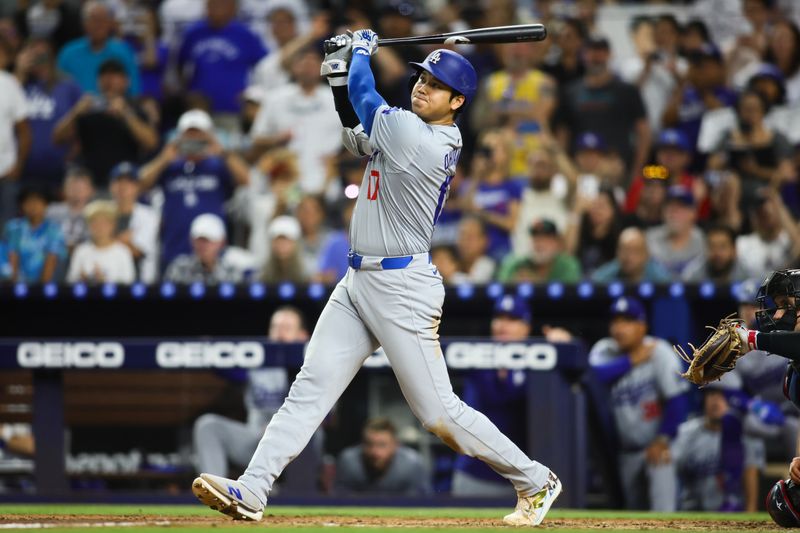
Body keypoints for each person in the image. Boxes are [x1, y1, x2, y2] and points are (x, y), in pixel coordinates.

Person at [192, 34, 561, 527]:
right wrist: (339, 76)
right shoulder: (406, 130)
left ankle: (536, 480)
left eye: (438, 86)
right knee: (310, 386)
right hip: (358, 279)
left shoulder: (426, 140)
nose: (423, 88)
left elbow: (368, 101)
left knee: (438, 414)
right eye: (423, 79)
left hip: (402, 287)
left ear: (458, 102)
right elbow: (354, 121)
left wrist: (360, 52)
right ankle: (254, 488)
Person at [452, 294, 572, 496]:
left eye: (512, 319)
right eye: (499, 318)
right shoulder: (476, 356)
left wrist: (563, 349)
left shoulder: (540, 361)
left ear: (526, 327)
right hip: (472, 474)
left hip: (518, 479)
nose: (503, 325)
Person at [589, 297, 689, 511]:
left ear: (642, 326)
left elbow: (677, 400)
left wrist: (662, 439)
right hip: (626, 451)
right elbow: (592, 377)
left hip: (659, 445)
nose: (619, 328)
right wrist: (630, 361)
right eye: (615, 321)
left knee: (663, 513)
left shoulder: (658, 351)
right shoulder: (605, 350)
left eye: (627, 321)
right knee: (633, 515)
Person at [194, 306, 309, 476]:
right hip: (256, 442)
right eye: (275, 327)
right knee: (208, 426)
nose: (279, 334)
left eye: (286, 328)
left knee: (315, 433)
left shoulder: (309, 367)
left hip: (293, 445)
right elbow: (226, 367)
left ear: (302, 336)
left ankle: (302, 495)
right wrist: (205, 348)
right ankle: (216, 495)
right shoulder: (256, 361)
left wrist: (280, 428)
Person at [139, 109, 249, 268]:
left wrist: (222, 152)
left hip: (213, 251)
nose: (194, 140)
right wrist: (163, 159)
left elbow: (246, 179)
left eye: (199, 135)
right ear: (180, 136)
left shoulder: (218, 164)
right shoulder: (171, 165)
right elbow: (140, 184)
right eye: (189, 135)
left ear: (209, 136)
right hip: (175, 245)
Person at [52, 59, 158, 189]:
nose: (109, 80)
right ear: (98, 81)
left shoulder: (135, 109)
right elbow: (57, 138)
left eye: (115, 75)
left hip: (124, 184)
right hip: (91, 185)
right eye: (104, 75)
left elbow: (151, 143)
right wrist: (75, 112)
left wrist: (125, 114)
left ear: (126, 81)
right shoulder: (88, 110)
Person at [249, 46, 341, 195]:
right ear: (293, 68)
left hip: (324, 180)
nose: (308, 67)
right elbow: (256, 139)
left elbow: (357, 141)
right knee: (284, 218)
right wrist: (276, 139)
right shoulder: (275, 98)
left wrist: (339, 159)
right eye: (303, 63)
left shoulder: (338, 99)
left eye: (313, 63)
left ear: (324, 68)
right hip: (285, 178)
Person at [556, 34, 651, 178]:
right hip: (579, 171)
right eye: (591, 51)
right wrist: (565, 169)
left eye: (601, 51)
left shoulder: (627, 91)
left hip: (617, 169)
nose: (596, 57)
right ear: (583, 55)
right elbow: (562, 134)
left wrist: (636, 172)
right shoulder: (570, 91)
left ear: (609, 55)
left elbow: (643, 133)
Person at [671, 386, 764, 511]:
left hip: (733, 512)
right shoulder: (687, 432)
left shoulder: (745, 432)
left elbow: (751, 472)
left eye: (721, 396)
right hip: (693, 510)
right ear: (703, 401)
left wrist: (751, 511)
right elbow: (672, 468)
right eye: (711, 395)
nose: (715, 400)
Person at [15, 37, 81, 193]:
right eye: (34, 56)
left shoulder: (68, 85)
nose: (39, 60)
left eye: (43, 55)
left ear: (52, 58)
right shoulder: (17, 85)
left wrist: (72, 156)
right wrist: (19, 73)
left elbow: (82, 124)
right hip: (21, 171)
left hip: (59, 172)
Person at [177, 0, 266, 115]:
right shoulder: (193, 33)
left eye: (222, 4)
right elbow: (178, 65)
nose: (217, 9)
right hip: (199, 110)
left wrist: (251, 94)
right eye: (212, 4)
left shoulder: (245, 34)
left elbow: (264, 66)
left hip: (233, 108)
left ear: (233, 8)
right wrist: (187, 92)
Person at [56, 1, 140, 96]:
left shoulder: (124, 51)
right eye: (93, 20)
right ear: (84, 24)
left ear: (110, 23)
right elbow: (59, 91)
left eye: (103, 20)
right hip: (78, 108)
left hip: (115, 108)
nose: (98, 25)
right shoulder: (68, 53)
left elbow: (134, 90)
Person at [335, 417, 430, 496]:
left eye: (382, 445)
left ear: (395, 445)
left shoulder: (412, 464)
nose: (375, 452)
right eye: (369, 444)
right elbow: (338, 499)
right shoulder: (348, 461)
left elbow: (423, 502)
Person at [165, 213, 255, 284]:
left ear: (222, 243)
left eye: (208, 240)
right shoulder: (179, 269)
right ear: (191, 241)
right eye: (199, 240)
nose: (202, 245)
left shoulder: (232, 273)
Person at [108, 162, 159, 283]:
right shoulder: (103, 211)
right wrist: (123, 240)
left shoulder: (149, 215)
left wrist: (109, 239)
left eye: (129, 182)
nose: (123, 186)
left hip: (139, 280)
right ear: (111, 186)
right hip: (108, 277)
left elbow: (137, 252)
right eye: (118, 181)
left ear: (137, 187)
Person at [0, 34, 31, 228]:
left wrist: (18, 166)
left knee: (8, 230)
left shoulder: (10, 83)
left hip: (5, 170)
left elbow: (24, 132)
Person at [3, 187, 65, 283]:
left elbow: (51, 259)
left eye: (37, 201)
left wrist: (41, 291)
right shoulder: (14, 228)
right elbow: (12, 256)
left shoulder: (54, 230)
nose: (33, 206)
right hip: (16, 285)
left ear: (45, 205)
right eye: (29, 202)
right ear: (22, 205)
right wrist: (13, 288)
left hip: (44, 287)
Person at [67, 200, 135, 284]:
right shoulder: (81, 251)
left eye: (104, 223)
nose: (99, 227)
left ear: (113, 225)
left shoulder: (122, 252)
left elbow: (128, 284)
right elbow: (70, 281)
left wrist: (104, 282)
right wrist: (83, 280)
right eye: (94, 223)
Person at [645, 185, 707, 278]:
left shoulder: (703, 241)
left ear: (693, 213)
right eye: (669, 206)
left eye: (681, 207)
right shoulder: (649, 239)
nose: (674, 211)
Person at [497, 219, 581, 283]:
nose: (539, 245)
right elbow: (502, 285)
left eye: (545, 239)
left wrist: (537, 282)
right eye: (536, 239)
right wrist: (514, 283)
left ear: (557, 243)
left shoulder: (567, 265)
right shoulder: (515, 264)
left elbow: (570, 295)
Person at [591, 227, 672, 284]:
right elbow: (596, 280)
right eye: (624, 249)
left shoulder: (661, 280)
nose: (628, 256)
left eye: (635, 250)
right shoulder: (603, 278)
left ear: (646, 255)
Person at [46, 167, 94, 254]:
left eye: (81, 188)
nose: (76, 191)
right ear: (64, 189)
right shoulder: (51, 211)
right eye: (72, 187)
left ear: (90, 190)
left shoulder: (95, 213)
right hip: (55, 257)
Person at [682, 225, 748, 282]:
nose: (717, 253)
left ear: (734, 250)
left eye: (722, 247)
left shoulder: (748, 276)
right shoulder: (693, 276)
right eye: (712, 246)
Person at [259, 215, 308, 284]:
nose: (281, 245)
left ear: (296, 244)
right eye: (278, 240)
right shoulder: (261, 274)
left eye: (286, 240)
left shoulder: (308, 274)